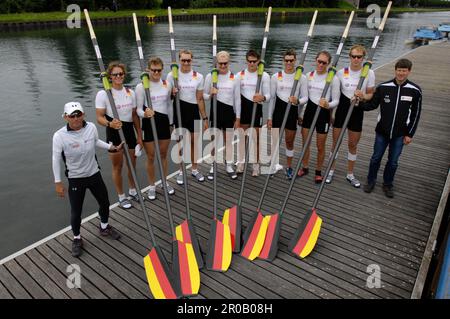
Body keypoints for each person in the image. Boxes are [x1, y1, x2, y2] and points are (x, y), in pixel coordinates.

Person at [53, 102, 121, 258]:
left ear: (83, 114)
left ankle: (104, 227)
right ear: (65, 117)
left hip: (94, 173)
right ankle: (77, 238)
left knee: (104, 202)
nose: (76, 118)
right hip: (76, 179)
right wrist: (58, 182)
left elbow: (96, 141)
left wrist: (112, 147)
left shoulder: (91, 127)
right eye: (72, 116)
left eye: (79, 115)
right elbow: (55, 159)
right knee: (76, 211)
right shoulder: (59, 136)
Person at [360, 58, 422, 198]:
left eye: (404, 71)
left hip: (400, 134)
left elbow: (416, 114)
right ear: (395, 70)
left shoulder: (415, 90)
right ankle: (371, 181)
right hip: (382, 131)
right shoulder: (383, 87)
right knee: (376, 158)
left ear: (409, 72)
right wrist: (358, 104)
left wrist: (410, 134)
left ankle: (388, 184)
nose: (401, 73)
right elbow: (372, 105)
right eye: (399, 70)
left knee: (393, 162)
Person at [326, 45, 375, 187]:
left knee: (352, 145)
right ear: (349, 57)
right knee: (335, 144)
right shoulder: (341, 73)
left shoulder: (369, 73)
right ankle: (331, 171)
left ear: (363, 58)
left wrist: (363, 95)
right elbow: (333, 95)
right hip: (342, 111)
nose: (356, 59)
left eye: (359, 57)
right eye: (353, 56)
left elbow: (371, 94)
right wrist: (330, 115)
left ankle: (350, 174)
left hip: (357, 111)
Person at [95, 61, 142, 209]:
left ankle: (133, 191)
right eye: (115, 74)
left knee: (132, 164)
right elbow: (99, 117)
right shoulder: (104, 94)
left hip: (129, 132)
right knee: (118, 166)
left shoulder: (130, 92)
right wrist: (110, 123)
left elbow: (134, 116)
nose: (118, 76)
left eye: (121, 74)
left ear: (124, 75)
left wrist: (139, 135)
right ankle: (122, 197)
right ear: (110, 77)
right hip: (114, 132)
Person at [135, 57, 174, 201]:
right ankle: (152, 186)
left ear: (162, 70)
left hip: (164, 122)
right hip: (148, 123)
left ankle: (164, 182)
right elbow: (138, 110)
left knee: (163, 155)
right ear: (148, 70)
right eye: (153, 70)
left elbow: (169, 106)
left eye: (159, 70)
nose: (156, 72)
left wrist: (171, 123)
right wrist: (145, 113)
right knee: (151, 157)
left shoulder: (167, 84)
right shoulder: (141, 87)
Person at [167, 49, 208, 185]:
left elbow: (200, 99)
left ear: (192, 60)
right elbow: (167, 99)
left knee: (194, 143)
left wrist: (205, 118)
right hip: (179, 111)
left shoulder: (199, 77)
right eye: (183, 60)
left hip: (193, 111)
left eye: (188, 60)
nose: (185, 62)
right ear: (179, 60)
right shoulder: (172, 76)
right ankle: (181, 171)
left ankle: (195, 169)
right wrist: (172, 93)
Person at [298, 50, 340, 183]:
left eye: (324, 63)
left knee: (320, 146)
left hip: (323, 114)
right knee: (306, 143)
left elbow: (336, 100)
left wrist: (328, 104)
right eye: (319, 61)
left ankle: (318, 171)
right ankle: (305, 167)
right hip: (309, 112)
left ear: (328, 64)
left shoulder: (333, 78)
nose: (321, 64)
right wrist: (299, 114)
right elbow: (303, 97)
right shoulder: (308, 76)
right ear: (315, 60)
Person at [267, 48, 307, 180]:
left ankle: (289, 167)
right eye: (286, 60)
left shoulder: (301, 77)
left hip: (292, 113)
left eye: (291, 60)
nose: (289, 62)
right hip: (278, 112)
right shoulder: (276, 76)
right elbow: (272, 99)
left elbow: (305, 98)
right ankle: (273, 165)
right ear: (283, 61)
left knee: (289, 141)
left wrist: (297, 100)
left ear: (295, 60)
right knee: (275, 141)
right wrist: (269, 118)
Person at [203, 51, 241, 180]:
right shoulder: (211, 76)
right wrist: (210, 94)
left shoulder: (234, 77)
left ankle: (229, 165)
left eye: (225, 63)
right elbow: (204, 96)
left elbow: (237, 100)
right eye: (220, 63)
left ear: (228, 62)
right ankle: (213, 166)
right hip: (216, 111)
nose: (223, 66)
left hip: (229, 112)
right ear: (216, 63)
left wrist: (238, 118)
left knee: (228, 141)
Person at [236, 49, 271, 177]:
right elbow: (236, 98)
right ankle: (241, 162)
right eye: (249, 61)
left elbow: (269, 95)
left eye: (254, 62)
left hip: (257, 110)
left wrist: (262, 98)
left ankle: (255, 164)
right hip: (244, 109)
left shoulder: (264, 76)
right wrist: (237, 117)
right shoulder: (239, 75)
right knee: (242, 138)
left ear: (258, 62)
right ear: (246, 61)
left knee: (256, 139)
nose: (251, 64)